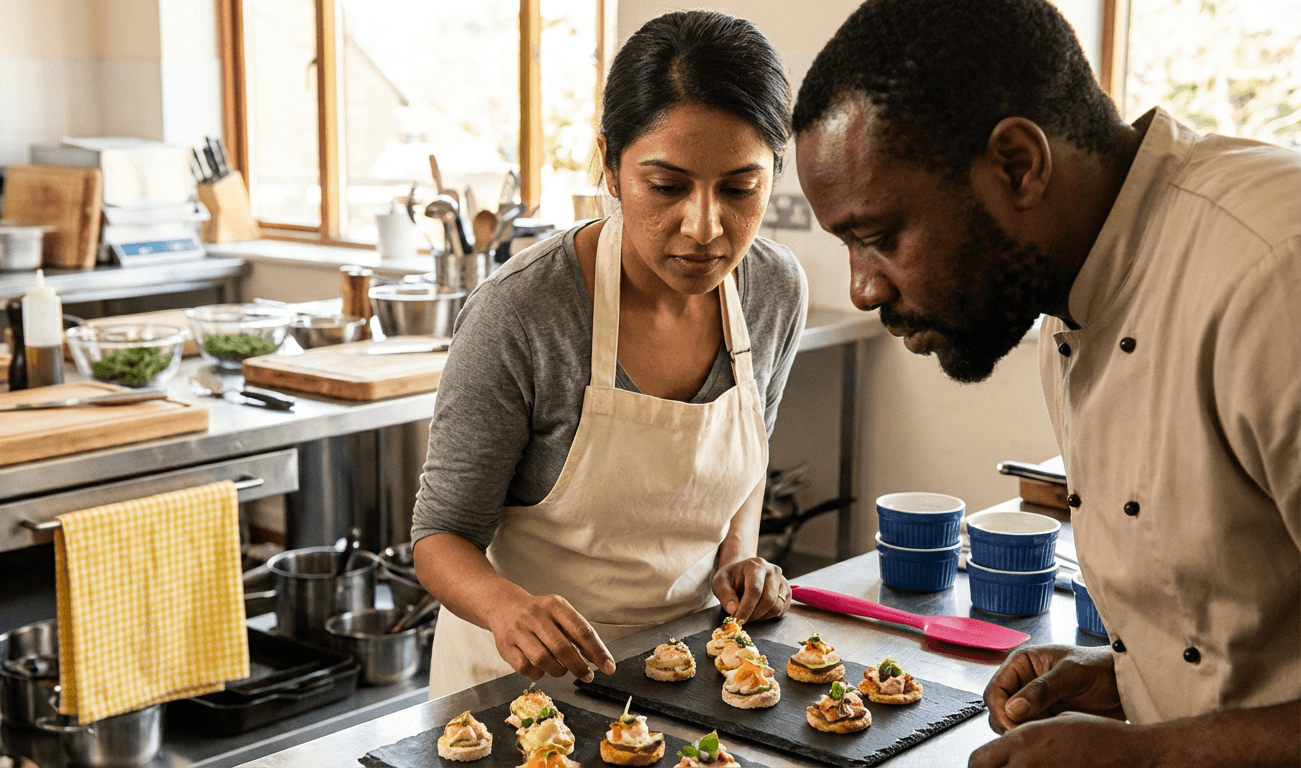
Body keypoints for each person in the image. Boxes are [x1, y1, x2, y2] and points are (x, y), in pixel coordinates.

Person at [791, 0, 1300, 764]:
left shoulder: (1273, 276)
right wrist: (1135, 678)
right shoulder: (1066, 296)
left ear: (1018, 166)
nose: (864, 289)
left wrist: (1152, 755)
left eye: (879, 237)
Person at [411, 9, 808, 699]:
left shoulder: (773, 290)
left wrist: (740, 556)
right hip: (518, 690)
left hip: (682, 673)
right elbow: (441, 536)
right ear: (610, 165)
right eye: (667, 186)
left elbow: (749, 457)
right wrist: (510, 609)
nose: (705, 227)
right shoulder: (524, 312)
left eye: (741, 189)